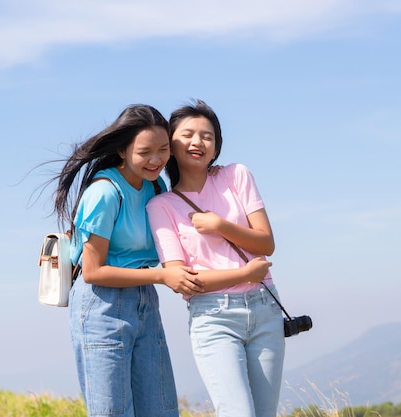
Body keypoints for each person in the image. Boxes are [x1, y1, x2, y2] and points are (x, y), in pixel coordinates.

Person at [49, 104, 205, 417]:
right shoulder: (104, 193)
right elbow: (92, 272)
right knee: (113, 412)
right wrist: (162, 277)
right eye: (145, 151)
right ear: (122, 151)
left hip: (144, 301)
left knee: (160, 410)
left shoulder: (156, 187)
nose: (156, 160)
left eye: (163, 150)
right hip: (101, 307)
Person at [146, 99, 285, 417]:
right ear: (170, 144)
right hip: (214, 318)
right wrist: (243, 274)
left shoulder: (236, 176)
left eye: (207, 136)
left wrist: (219, 225)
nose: (198, 142)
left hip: (265, 308)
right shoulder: (161, 206)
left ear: (217, 145)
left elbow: (266, 242)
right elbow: (184, 282)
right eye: (188, 135)